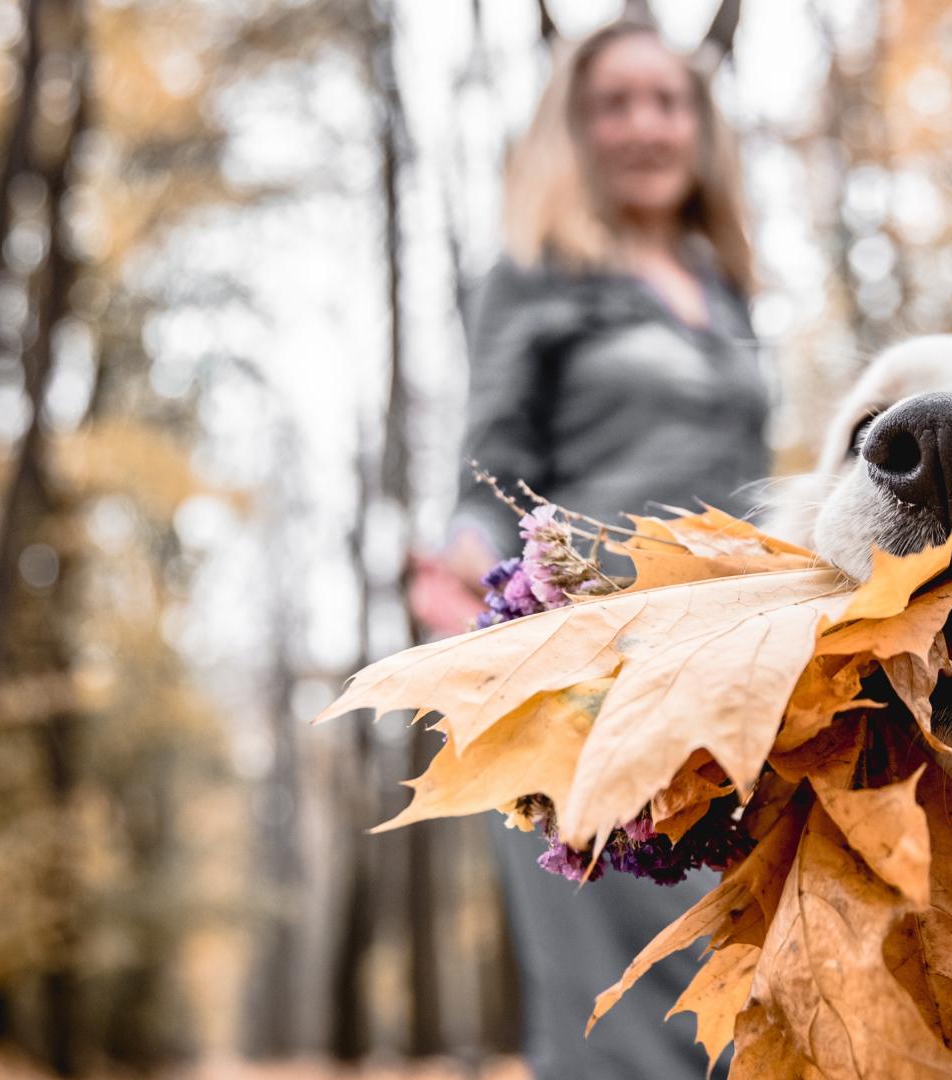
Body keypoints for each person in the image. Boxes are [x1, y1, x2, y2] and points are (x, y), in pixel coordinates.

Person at [409, 19, 769, 1080]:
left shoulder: (725, 284)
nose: (645, 125)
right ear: (576, 129)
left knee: (729, 977)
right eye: (614, 103)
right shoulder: (535, 273)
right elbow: (490, 456)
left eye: (668, 101)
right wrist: (464, 563)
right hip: (585, 665)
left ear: (700, 128)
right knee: (616, 996)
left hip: (728, 668)